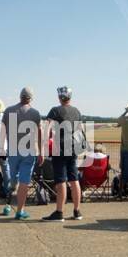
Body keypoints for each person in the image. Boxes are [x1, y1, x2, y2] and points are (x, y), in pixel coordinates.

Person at [0, 86, 43, 220]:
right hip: (28, 151)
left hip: (12, 150)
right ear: (31, 98)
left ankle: (8, 202)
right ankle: (20, 210)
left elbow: (3, 130)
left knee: (13, 179)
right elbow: (40, 133)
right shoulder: (35, 113)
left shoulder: (8, 111)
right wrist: (41, 151)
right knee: (24, 180)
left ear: (20, 96)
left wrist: (3, 147)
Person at [43, 86, 83, 221]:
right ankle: (77, 211)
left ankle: (59, 212)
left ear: (59, 97)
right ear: (70, 97)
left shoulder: (55, 110)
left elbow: (47, 128)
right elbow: (80, 130)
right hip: (73, 148)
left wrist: (43, 145)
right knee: (74, 179)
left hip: (59, 149)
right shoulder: (76, 111)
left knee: (61, 181)